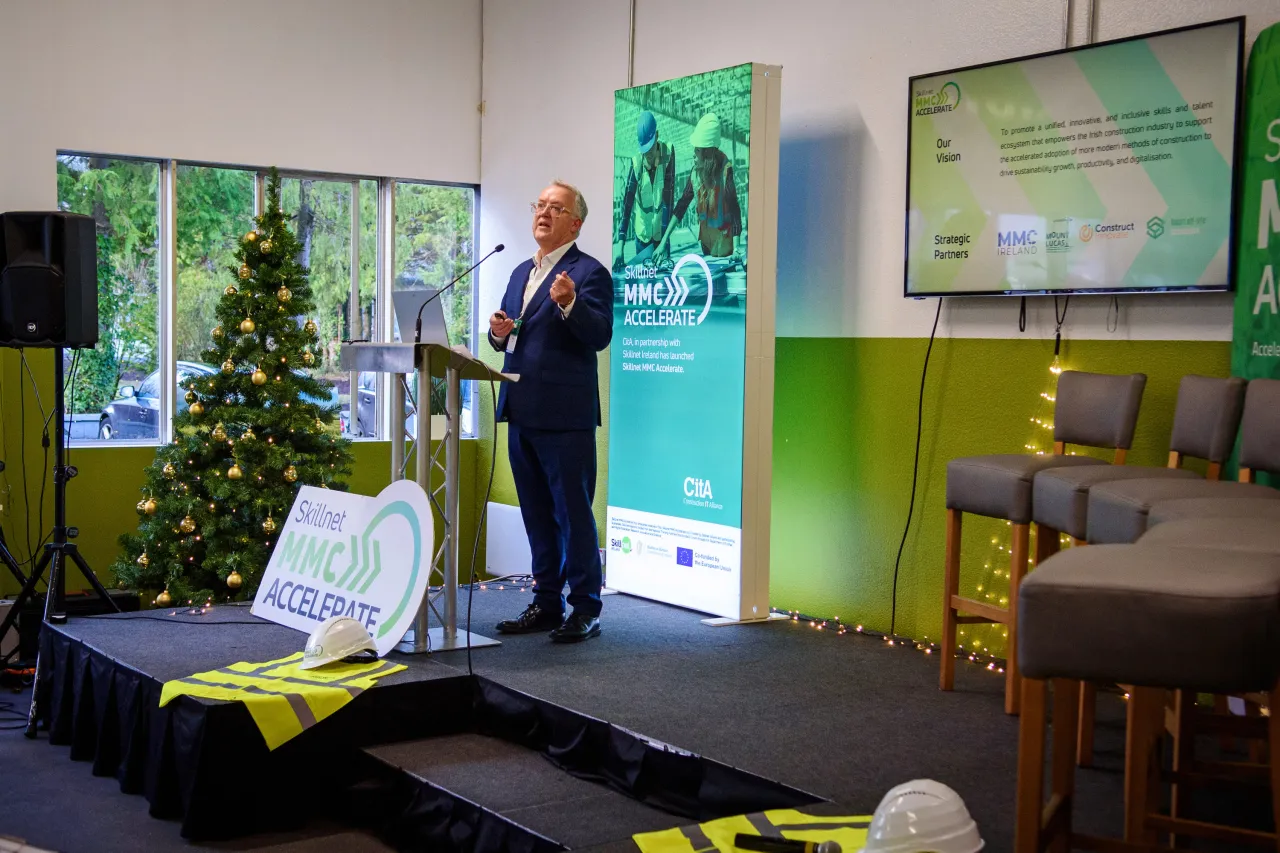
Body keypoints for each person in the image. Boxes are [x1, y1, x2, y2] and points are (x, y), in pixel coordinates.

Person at [488, 181, 613, 643]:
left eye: (555, 208)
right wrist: (499, 333)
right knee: (537, 513)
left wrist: (571, 303)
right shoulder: (521, 270)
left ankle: (585, 607)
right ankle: (545, 601)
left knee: (572, 514)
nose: (543, 213)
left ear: (575, 223)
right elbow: (507, 333)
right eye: (539, 205)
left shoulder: (589, 273)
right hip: (521, 409)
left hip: (564, 415)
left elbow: (599, 334)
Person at [654, 112, 743, 263]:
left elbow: (735, 211)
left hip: (726, 251)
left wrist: (737, 250)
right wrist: (663, 243)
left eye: (697, 150)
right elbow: (681, 206)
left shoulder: (725, 171)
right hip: (707, 248)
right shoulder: (695, 174)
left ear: (707, 152)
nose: (693, 155)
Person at [615, 110, 676, 269]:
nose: (647, 154)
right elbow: (627, 206)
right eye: (644, 150)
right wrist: (619, 248)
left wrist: (663, 243)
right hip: (642, 236)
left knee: (663, 284)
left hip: (661, 235)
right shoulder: (636, 164)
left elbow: (668, 201)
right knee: (644, 285)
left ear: (657, 135)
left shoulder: (668, 154)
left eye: (650, 149)